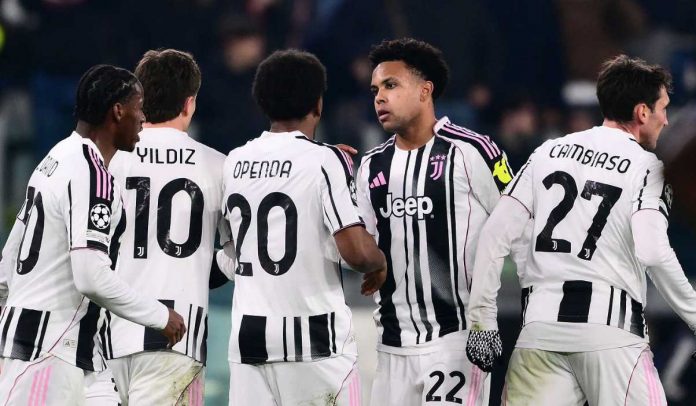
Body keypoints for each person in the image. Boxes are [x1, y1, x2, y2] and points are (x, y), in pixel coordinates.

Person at [466, 55, 694, 405]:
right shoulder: (648, 167)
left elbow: (494, 234)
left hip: (540, 329)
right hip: (611, 335)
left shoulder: (548, 152)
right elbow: (652, 251)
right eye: (662, 109)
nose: (666, 119)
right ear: (642, 112)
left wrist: (482, 321)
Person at [0, 64, 186, 405]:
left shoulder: (56, 156)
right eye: (139, 107)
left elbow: (10, 255)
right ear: (118, 111)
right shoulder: (91, 173)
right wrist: (159, 316)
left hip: (78, 353)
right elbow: (90, 276)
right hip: (49, 350)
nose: (143, 117)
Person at [222, 49, 387, 405]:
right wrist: (380, 261)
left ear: (262, 102)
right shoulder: (326, 160)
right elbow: (358, 254)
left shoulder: (233, 161)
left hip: (249, 340)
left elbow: (229, 253)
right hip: (316, 341)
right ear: (318, 104)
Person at [356, 38, 513, 406]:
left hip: (456, 341)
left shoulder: (473, 151)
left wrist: (491, 318)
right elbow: (363, 251)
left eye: (391, 85)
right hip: (391, 346)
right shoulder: (371, 166)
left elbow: (520, 227)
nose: (380, 97)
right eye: (375, 90)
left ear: (425, 91)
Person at [104, 49, 231, 405]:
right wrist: (203, 268)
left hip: (105, 338)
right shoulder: (218, 166)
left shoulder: (106, 161)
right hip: (177, 341)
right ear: (189, 103)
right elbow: (242, 252)